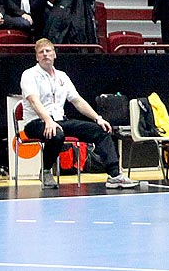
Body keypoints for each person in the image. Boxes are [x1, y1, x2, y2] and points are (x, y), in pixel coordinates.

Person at [20, 39, 140, 190]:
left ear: (54, 54)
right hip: (36, 122)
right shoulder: (29, 75)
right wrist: (47, 120)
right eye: (41, 52)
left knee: (100, 130)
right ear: (37, 57)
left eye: (48, 51)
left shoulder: (62, 76)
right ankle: (45, 171)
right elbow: (33, 100)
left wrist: (98, 118)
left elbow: (77, 101)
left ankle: (115, 176)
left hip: (60, 121)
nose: (45, 54)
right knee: (56, 134)